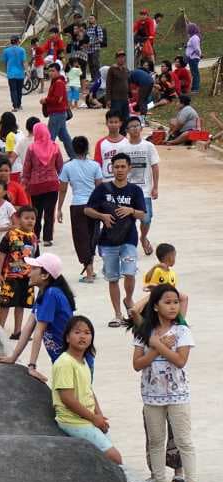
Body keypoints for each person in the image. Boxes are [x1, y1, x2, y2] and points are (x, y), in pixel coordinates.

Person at [131, 284, 202, 482]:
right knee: (156, 441)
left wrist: (156, 345)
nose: (173, 306)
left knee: (184, 441)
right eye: (167, 302)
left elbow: (180, 361)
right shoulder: (144, 334)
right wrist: (157, 346)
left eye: (175, 302)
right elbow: (137, 364)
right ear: (155, 306)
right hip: (152, 395)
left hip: (178, 394)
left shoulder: (182, 331)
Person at [0, 253, 79, 384]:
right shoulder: (44, 292)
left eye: (33, 269)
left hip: (72, 361)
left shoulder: (51, 294)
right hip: (63, 360)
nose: (29, 273)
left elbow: (39, 331)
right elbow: (28, 327)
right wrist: (13, 357)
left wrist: (32, 366)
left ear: (45, 275)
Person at [84, 153, 146, 327]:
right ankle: (118, 314)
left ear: (129, 168)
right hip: (108, 240)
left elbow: (143, 214)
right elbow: (87, 210)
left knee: (130, 273)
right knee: (112, 278)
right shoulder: (102, 189)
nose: (119, 170)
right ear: (111, 168)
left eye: (123, 167)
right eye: (116, 167)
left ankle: (128, 299)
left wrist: (131, 211)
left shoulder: (135, 190)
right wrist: (102, 215)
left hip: (129, 239)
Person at [53, 316, 123, 464]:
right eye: (77, 332)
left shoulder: (83, 362)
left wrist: (100, 415)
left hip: (86, 418)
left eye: (87, 332)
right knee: (115, 458)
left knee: (110, 452)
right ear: (67, 337)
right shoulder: (65, 362)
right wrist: (93, 418)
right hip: (72, 421)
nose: (82, 336)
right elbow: (67, 399)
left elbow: (89, 390)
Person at [57, 136, 102, 282]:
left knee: (81, 239)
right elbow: (99, 188)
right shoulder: (95, 166)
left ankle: (89, 273)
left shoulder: (68, 167)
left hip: (77, 205)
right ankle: (91, 270)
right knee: (92, 236)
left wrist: (59, 208)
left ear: (73, 149)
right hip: (93, 206)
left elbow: (62, 189)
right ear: (87, 148)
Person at [0, 206, 38, 339]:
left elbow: (36, 259)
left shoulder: (33, 237)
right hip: (10, 276)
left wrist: (36, 276)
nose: (30, 221)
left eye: (32, 218)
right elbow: (2, 253)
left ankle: (17, 331)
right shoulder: (11, 234)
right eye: (26, 218)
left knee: (20, 304)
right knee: (5, 303)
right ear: (19, 219)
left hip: (27, 277)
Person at [122, 116, 159, 256]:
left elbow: (155, 166)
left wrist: (155, 187)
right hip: (128, 189)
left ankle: (143, 237)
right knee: (127, 219)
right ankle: (128, 245)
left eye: (137, 126)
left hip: (144, 190)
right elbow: (119, 168)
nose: (135, 128)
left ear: (141, 128)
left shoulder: (149, 146)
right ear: (127, 130)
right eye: (132, 126)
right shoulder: (123, 147)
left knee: (146, 218)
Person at [22, 122, 63, 247]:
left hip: (36, 185)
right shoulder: (55, 147)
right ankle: (47, 238)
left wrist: (25, 181)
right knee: (49, 212)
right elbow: (60, 166)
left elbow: (27, 167)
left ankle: (36, 235)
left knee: (37, 212)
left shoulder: (32, 148)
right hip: (52, 184)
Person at [41, 63, 76, 159]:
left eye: (53, 71)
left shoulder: (59, 83)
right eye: (49, 71)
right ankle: (74, 156)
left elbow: (58, 99)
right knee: (65, 137)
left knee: (50, 137)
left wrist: (46, 100)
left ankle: (47, 158)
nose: (50, 73)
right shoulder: (56, 82)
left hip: (57, 114)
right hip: (58, 113)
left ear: (58, 71)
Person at [94, 110, 127, 181]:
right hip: (106, 184)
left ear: (120, 123)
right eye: (111, 122)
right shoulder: (100, 143)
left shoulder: (127, 142)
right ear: (106, 123)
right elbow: (97, 166)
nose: (113, 125)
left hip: (123, 183)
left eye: (116, 122)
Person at [9, 116, 39, 182]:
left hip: (26, 176)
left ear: (26, 128)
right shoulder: (41, 141)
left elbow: (12, 159)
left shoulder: (21, 142)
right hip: (40, 176)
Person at [2, 35, 26, 111]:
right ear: (18, 41)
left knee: (13, 90)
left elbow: (5, 62)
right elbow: (24, 62)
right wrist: (27, 71)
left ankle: (15, 106)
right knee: (19, 90)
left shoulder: (6, 51)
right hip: (20, 73)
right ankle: (19, 104)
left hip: (11, 74)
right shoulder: (22, 50)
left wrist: (7, 71)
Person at [107, 50, 130, 130]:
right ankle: (115, 134)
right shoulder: (112, 69)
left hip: (125, 99)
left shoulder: (126, 69)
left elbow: (128, 83)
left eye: (123, 57)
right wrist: (108, 99)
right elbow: (108, 84)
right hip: (115, 99)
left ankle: (123, 135)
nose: (122, 59)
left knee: (125, 118)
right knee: (115, 118)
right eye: (120, 57)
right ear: (116, 59)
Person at [0, 112, 24, 181]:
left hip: (14, 169)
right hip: (22, 167)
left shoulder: (10, 136)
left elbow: (9, 155)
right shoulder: (20, 132)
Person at [85, 14, 105, 82]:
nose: (90, 20)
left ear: (95, 20)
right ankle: (93, 78)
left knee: (96, 64)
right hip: (88, 50)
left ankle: (98, 79)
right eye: (89, 18)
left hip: (95, 49)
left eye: (92, 18)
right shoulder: (87, 28)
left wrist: (92, 43)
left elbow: (100, 39)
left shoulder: (97, 28)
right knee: (90, 65)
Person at [185, 24, 201, 93]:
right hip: (191, 58)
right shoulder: (192, 37)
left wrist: (199, 55)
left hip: (193, 58)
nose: (187, 30)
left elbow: (196, 49)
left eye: (188, 29)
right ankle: (194, 88)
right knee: (194, 73)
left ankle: (195, 89)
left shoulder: (195, 38)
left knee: (195, 73)